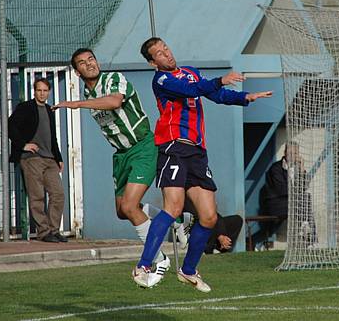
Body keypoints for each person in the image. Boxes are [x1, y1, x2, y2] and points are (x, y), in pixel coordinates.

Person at [132, 37, 272, 291]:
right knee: (173, 208)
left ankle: (188, 270)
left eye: (166, 48)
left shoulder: (191, 73)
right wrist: (220, 80)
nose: (166, 54)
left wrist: (246, 97)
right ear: (153, 63)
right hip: (174, 146)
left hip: (197, 152)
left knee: (208, 217)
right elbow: (193, 91)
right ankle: (143, 266)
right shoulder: (162, 81)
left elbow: (214, 94)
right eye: (159, 54)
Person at [53, 48, 172, 281]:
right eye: (82, 63)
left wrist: (77, 104)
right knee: (122, 211)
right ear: (77, 72)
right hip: (121, 155)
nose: (89, 64)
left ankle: (157, 259)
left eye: (91, 59)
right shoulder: (91, 96)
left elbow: (115, 101)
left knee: (129, 206)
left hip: (142, 147)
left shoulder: (113, 79)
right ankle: (178, 221)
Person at [8, 78, 66, 243]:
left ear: (49, 92)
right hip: (32, 158)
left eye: (45, 90)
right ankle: (43, 232)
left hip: (50, 159)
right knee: (37, 196)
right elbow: (10, 125)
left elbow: (52, 136)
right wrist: (23, 145)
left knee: (58, 194)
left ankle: (54, 230)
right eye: (39, 90)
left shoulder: (49, 109)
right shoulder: (25, 107)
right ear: (34, 91)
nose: (42, 93)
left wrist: (59, 158)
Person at [257, 142, 315, 246]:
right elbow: (282, 190)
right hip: (275, 203)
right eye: (290, 152)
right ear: (284, 153)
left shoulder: (297, 168)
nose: (293, 156)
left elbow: (305, 186)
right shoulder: (276, 168)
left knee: (306, 198)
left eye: (295, 153)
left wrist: (302, 168)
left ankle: (308, 234)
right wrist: (298, 192)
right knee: (305, 200)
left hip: (292, 203)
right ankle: (309, 235)